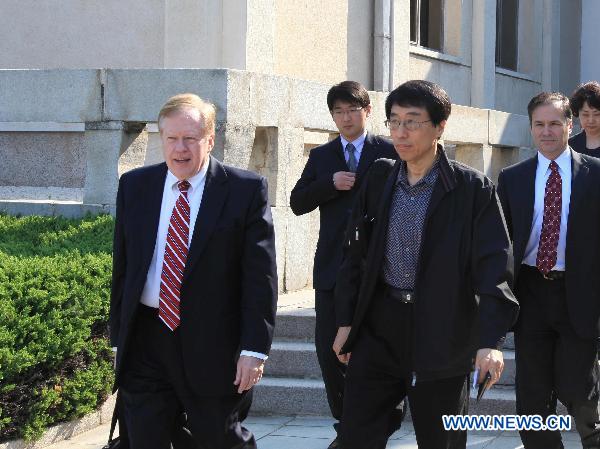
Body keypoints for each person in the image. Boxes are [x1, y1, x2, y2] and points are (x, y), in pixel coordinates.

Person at [333, 80, 518, 449]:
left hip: (443, 330)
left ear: (440, 126)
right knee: (355, 434)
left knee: (441, 439)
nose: (401, 133)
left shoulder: (472, 189)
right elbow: (355, 256)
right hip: (380, 327)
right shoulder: (380, 177)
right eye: (395, 121)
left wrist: (490, 341)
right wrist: (346, 321)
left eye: (413, 122)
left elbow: (494, 266)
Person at [109, 93, 277, 449]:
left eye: (190, 138)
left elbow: (259, 277)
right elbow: (124, 267)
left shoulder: (244, 190)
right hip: (146, 340)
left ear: (210, 139)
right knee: (143, 438)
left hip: (214, 343)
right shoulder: (135, 186)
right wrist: (117, 338)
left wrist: (254, 348)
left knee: (218, 438)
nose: (180, 148)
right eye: (171, 138)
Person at [290, 80, 399, 449]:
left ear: (368, 111)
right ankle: (347, 423)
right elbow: (297, 201)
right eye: (338, 111)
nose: (346, 117)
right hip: (332, 269)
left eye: (353, 110)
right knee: (328, 351)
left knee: (373, 352)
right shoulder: (322, 157)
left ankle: (373, 423)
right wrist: (328, 184)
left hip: (380, 269)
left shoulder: (389, 149)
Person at [497, 92, 600, 448]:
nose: (547, 132)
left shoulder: (595, 174)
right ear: (530, 128)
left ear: (570, 125)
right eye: (539, 124)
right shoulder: (512, 179)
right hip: (531, 294)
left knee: (580, 392)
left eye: (555, 123)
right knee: (532, 398)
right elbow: (502, 244)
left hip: (580, 293)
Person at [569, 81, 600, 157]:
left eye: (597, 114)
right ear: (577, 113)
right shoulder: (570, 146)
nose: (591, 120)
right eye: (585, 114)